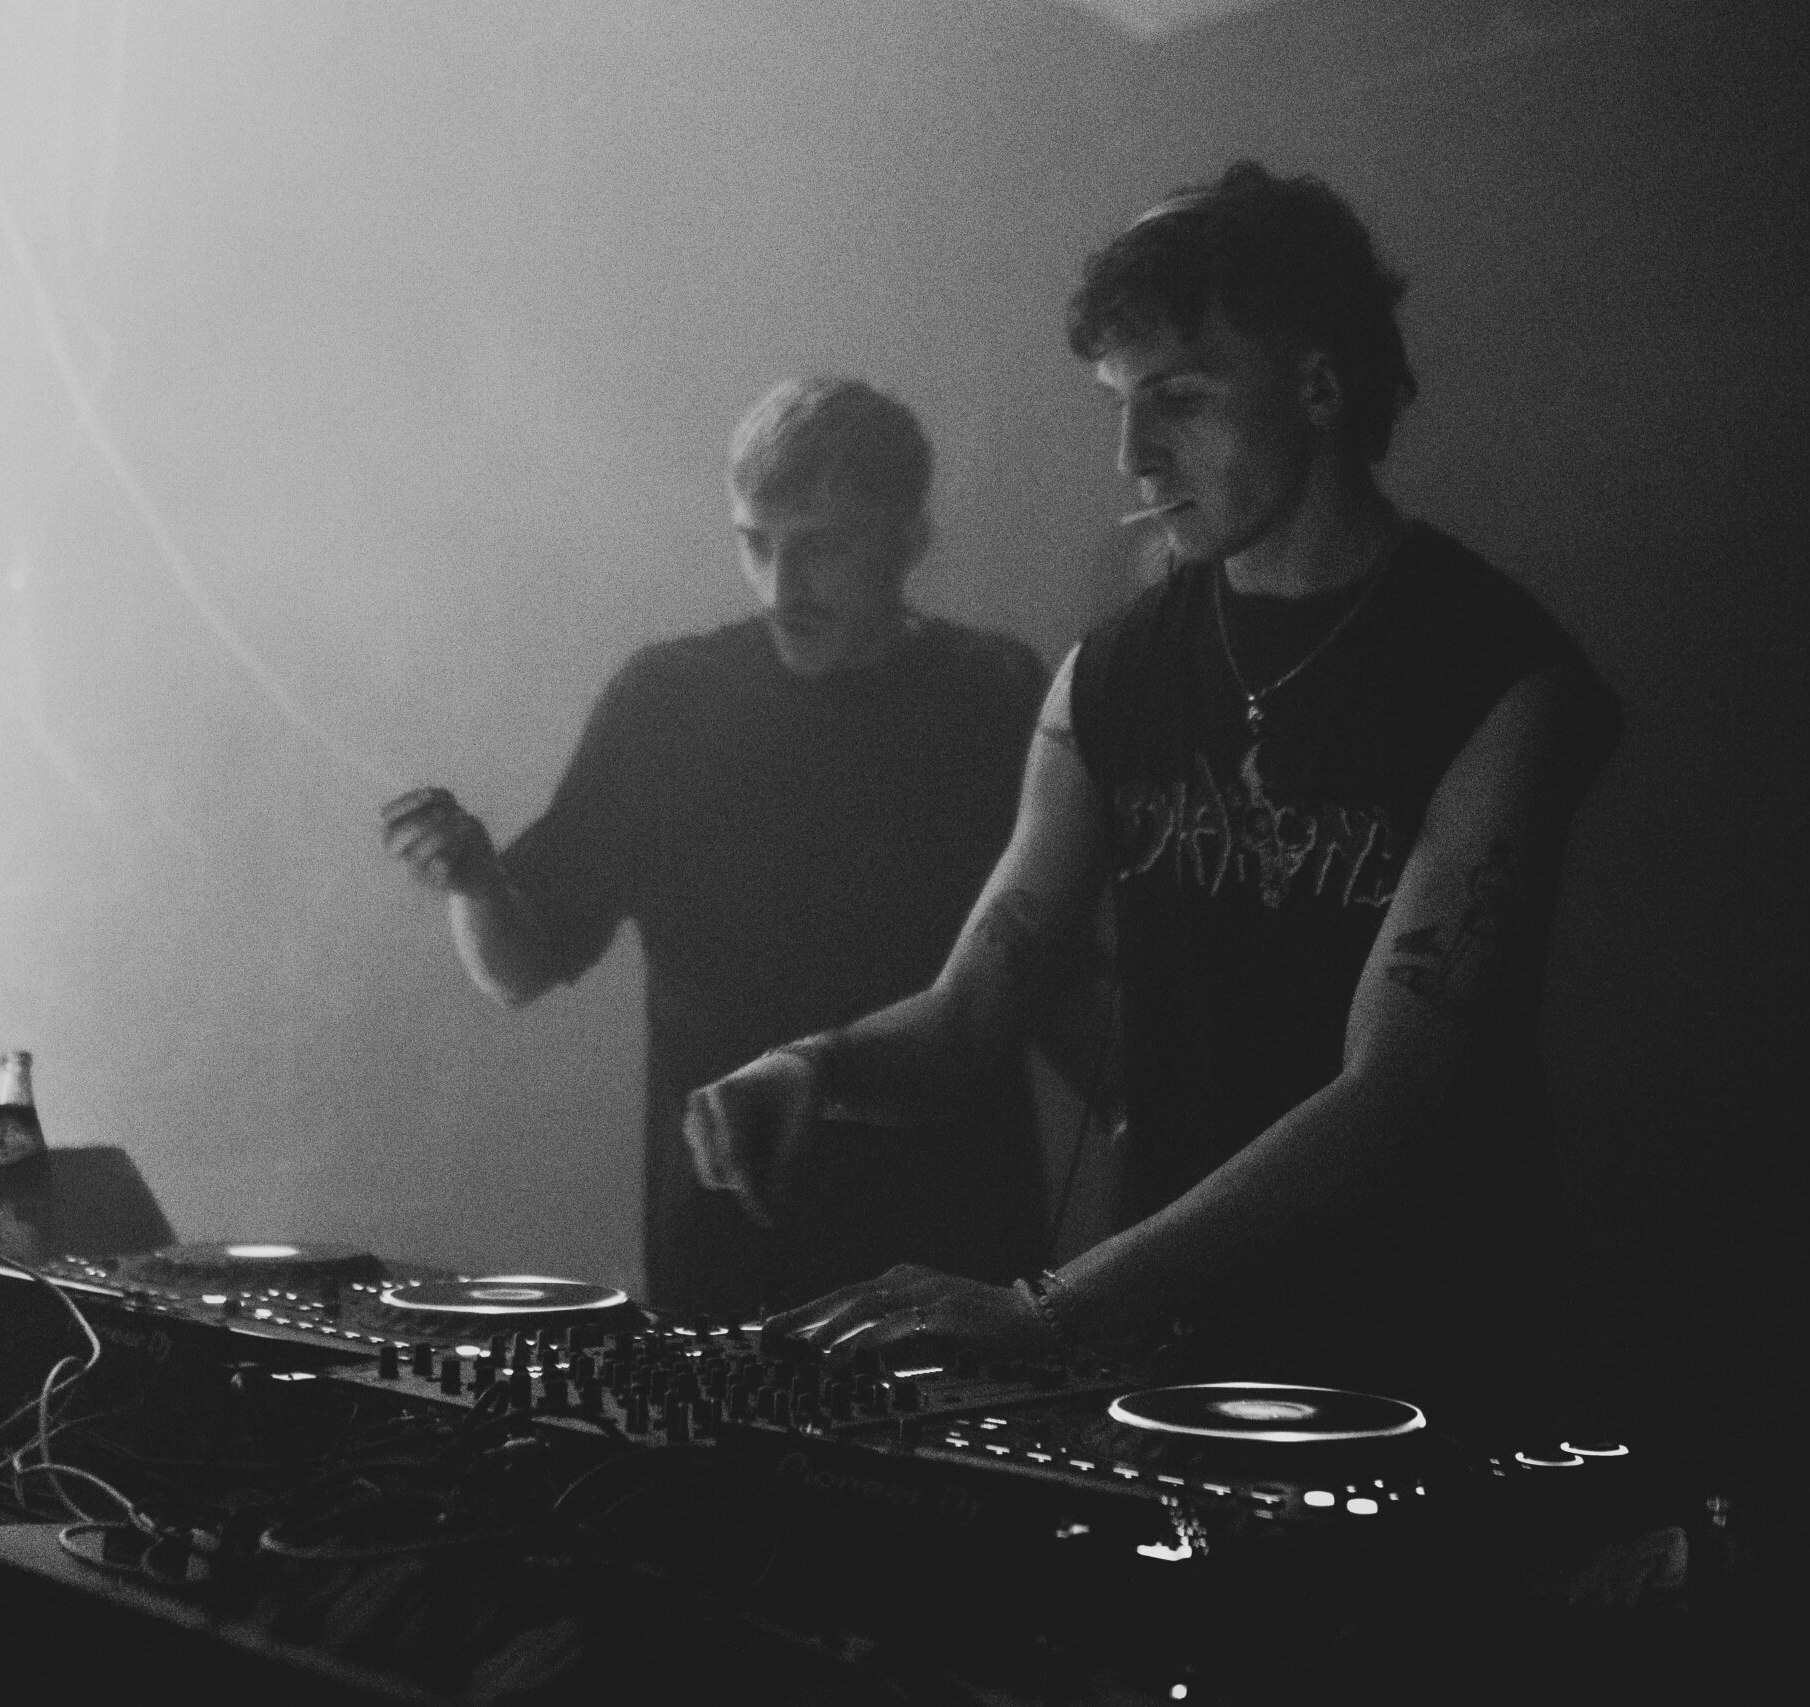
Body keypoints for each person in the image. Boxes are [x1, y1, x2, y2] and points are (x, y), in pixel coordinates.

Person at [684, 163, 1620, 1419]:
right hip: (1173, 1363)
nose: (1131, 454)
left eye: (1177, 398)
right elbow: (973, 1013)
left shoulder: (1501, 680)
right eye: (1119, 405)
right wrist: (812, 1065)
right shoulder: (1109, 675)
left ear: (1319, 387)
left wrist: (1048, 1309)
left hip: (1426, 1360)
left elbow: (1398, 1094)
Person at [384, 378, 1058, 1318]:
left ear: (909, 539)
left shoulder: (994, 692)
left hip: (955, 1255)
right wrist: (474, 882)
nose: (783, 587)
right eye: (756, 544)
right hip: (726, 1260)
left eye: (821, 547)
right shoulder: (668, 700)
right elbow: (520, 968)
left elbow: (1057, 975)